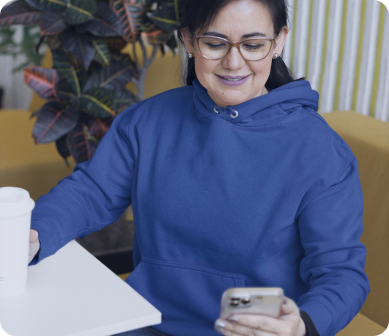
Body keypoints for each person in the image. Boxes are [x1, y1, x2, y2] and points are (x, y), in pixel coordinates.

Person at [28, 0, 370, 335]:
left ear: (279, 41)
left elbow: (340, 273)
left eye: (253, 45)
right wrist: (32, 234)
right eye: (214, 43)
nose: (234, 62)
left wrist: (302, 325)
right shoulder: (147, 121)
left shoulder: (320, 151)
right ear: (189, 40)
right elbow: (91, 192)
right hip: (142, 320)